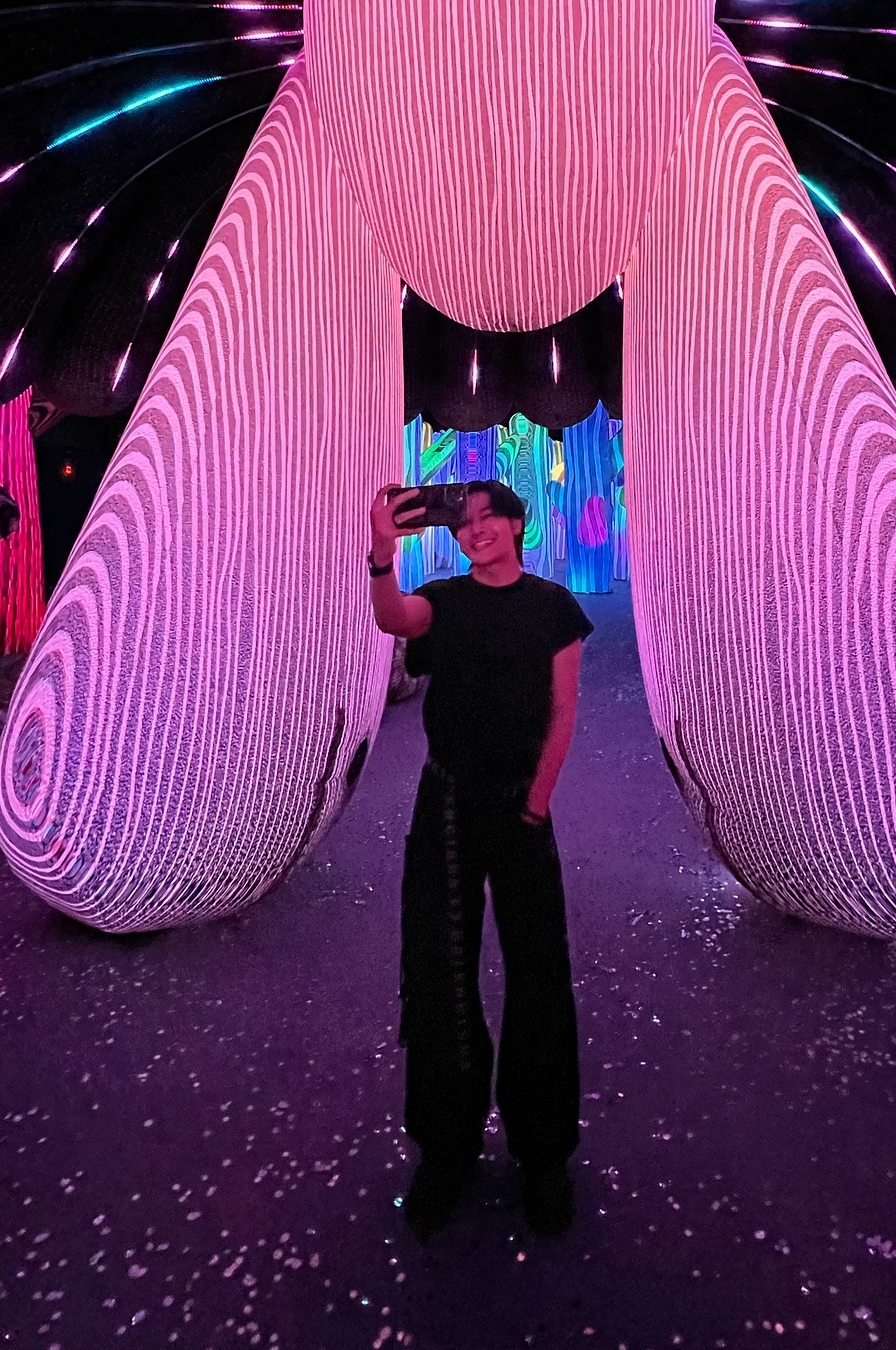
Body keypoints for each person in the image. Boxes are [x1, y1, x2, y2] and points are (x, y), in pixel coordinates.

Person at [367, 478, 593, 1241]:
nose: (477, 529)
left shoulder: (554, 607)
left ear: (518, 523)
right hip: (448, 802)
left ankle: (543, 1154)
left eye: (490, 516)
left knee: (539, 973)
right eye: (464, 523)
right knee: (439, 972)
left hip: (522, 802)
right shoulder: (445, 598)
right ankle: (447, 1147)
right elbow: (394, 616)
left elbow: (563, 710)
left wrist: (537, 802)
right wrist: (381, 551)